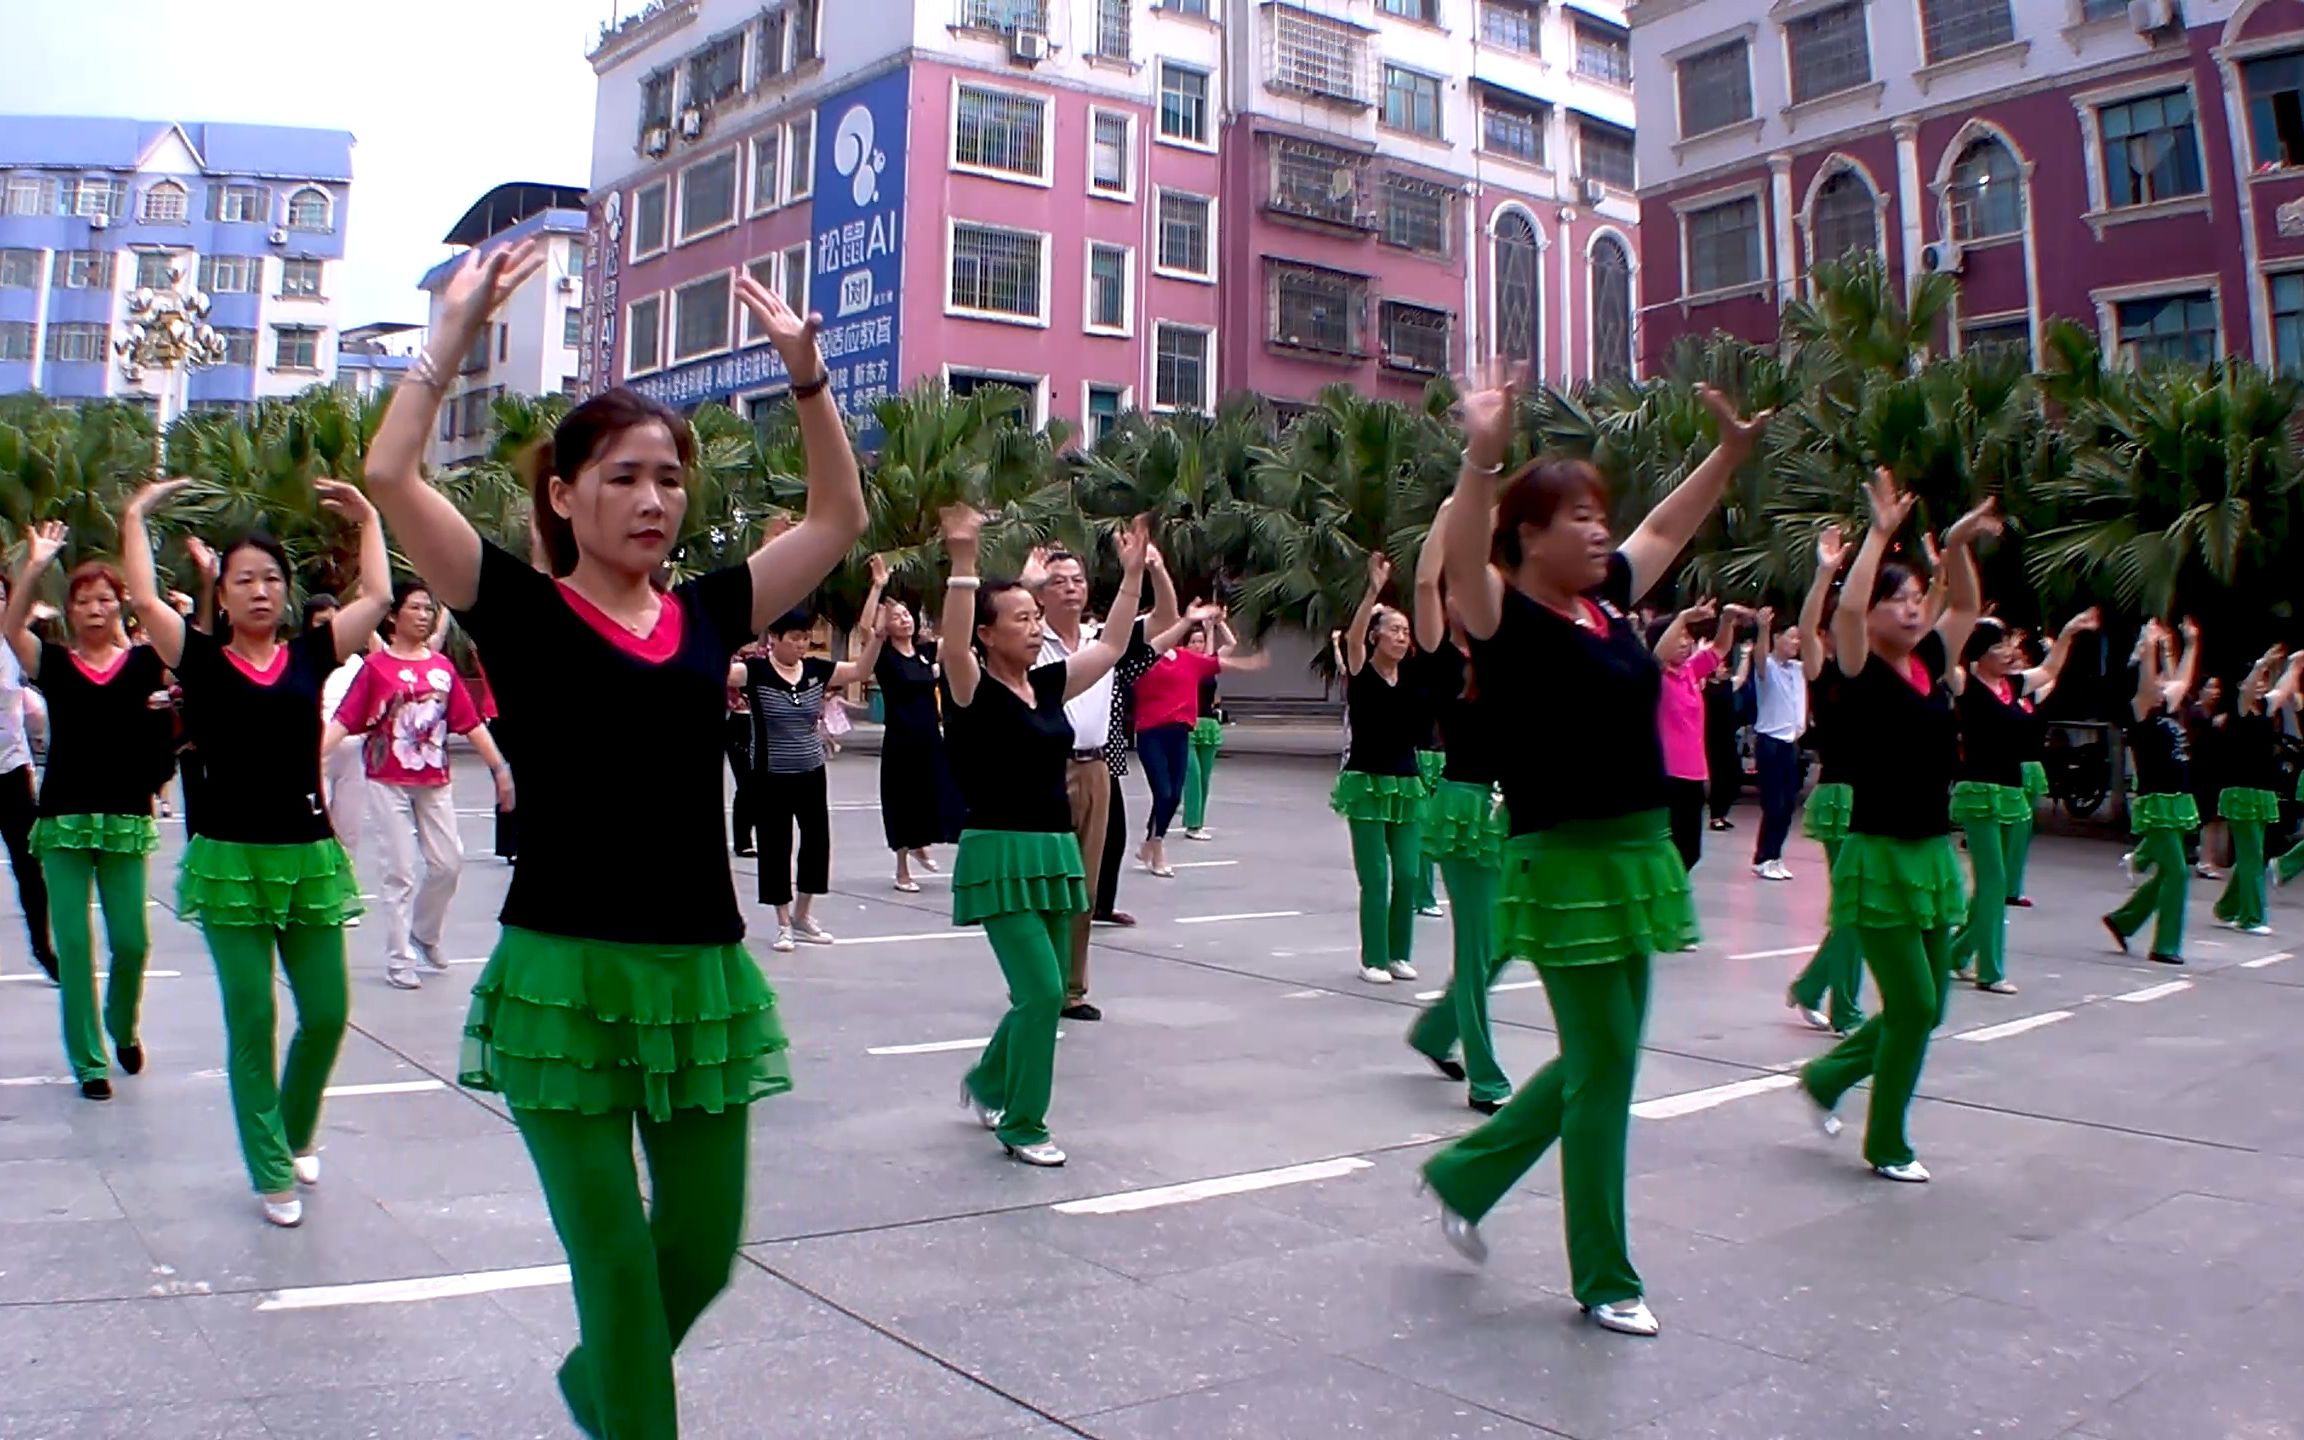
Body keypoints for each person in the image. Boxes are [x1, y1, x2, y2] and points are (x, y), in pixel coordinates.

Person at [366, 246, 861, 1437]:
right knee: (620, 1276)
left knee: (698, 1255)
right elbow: (389, 471)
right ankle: (628, 1404)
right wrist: (449, 342)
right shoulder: (518, 608)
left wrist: (808, 379)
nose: (655, 501)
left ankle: (598, 1388)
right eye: (626, 477)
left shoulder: (711, 612)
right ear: (564, 496)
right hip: (563, 980)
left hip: (699, 972)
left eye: (670, 481)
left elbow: (841, 516)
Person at [1420, 372, 1770, 1338]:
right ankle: (1605, 1275)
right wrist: (1483, 459)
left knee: (1599, 1061)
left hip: (1637, 853)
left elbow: (1663, 529)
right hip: (1563, 860)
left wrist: (1729, 455)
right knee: (1607, 1064)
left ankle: (1465, 1171)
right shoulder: (1506, 618)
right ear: (1528, 534)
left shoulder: (1608, 607)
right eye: (1576, 517)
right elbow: (1458, 560)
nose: (1598, 533)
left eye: (1598, 517)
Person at [121, 472, 389, 1228]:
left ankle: (294, 1127)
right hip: (231, 860)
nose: (261, 592)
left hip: (307, 857)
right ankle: (269, 1166)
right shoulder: (200, 659)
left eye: (273, 579)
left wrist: (369, 517)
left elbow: (375, 597)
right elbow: (144, 602)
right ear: (226, 592)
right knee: (252, 1022)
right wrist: (137, 516)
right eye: (245, 581)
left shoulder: (311, 654)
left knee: (329, 1013)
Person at [1799, 471, 1995, 1187]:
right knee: (1914, 1004)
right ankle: (1886, 1140)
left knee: (1930, 1004)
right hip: (1878, 856)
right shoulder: (1859, 668)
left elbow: (1966, 604)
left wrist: (1962, 545)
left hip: (1932, 855)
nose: (1913, 610)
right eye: (1898, 599)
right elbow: (1845, 617)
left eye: (1917, 598)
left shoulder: (1928, 665)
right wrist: (1877, 535)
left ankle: (1826, 1078)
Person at [942, 506, 1149, 1167]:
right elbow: (950, 646)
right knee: (1038, 994)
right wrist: (965, 562)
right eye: (1022, 621)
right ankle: (1023, 1124)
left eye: (1036, 621)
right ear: (988, 633)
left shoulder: (1047, 683)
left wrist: (1133, 576)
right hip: (999, 852)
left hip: (1054, 849)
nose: (1034, 630)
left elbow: (1113, 647)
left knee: (1050, 988)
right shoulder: (971, 687)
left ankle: (988, 1082)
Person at [3, 530, 171, 1096]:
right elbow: (11, 627)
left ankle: (121, 1025)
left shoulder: (147, 663)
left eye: (105, 598)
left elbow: (195, 658)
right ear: (70, 611)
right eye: (83, 600)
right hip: (65, 819)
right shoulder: (52, 663)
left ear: (120, 603)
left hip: (126, 817)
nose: (95, 608)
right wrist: (36, 565)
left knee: (132, 942)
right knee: (74, 947)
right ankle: (90, 1061)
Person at [323, 582, 514, 989]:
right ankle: (399, 958)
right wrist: (313, 755)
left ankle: (425, 934)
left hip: (433, 777)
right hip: (386, 776)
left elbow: (469, 722)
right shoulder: (376, 668)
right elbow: (345, 719)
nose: (424, 615)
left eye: (429, 608)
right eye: (416, 608)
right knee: (400, 871)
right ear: (394, 617)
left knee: (448, 862)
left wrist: (499, 768)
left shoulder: (442, 669)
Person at [1023, 542, 1177, 1019]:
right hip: (1043, 766)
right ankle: (1036, 983)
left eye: (1078, 580)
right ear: (1040, 594)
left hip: (1095, 768)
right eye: (1058, 581)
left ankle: (1072, 989)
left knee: (1084, 887)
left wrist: (1153, 568)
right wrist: (1026, 581)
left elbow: (1166, 619)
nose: (1070, 588)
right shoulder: (1028, 640)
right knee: (1044, 880)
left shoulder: (1101, 637)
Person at [1404, 513, 1514, 1112]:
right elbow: (1424, 585)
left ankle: (1434, 1029)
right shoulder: (1443, 660)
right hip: (1468, 807)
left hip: (1514, 810)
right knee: (1476, 948)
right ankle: (1486, 1077)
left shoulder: (1513, 658)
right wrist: (1450, 517)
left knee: (1507, 939)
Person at [1944, 609, 2099, 994]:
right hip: (1979, 792)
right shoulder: (1964, 682)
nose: (2008, 652)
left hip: (2011, 792)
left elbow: (2049, 672)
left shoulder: (2014, 685)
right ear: (1979, 653)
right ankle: (1990, 971)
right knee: (1994, 882)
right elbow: (1944, 656)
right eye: (1997, 646)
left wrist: (2068, 632)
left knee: (1992, 887)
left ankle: (1955, 954)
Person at [740, 559, 887, 951]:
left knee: (816, 842)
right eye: (794, 638)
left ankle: (804, 915)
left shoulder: (816, 671)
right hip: (770, 773)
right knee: (775, 845)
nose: (802, 645)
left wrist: (877, 637)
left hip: (810, 770)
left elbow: (858, 671)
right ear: (774, 638)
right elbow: (714, 670)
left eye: (806, 638)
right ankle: (782, 922)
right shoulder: (755, 674)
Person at [1334, 552, 1428, 986]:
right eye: (1393, 629)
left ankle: (1398, 954)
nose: (1401, 636)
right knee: (1376, 877)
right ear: (1375, 637)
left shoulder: (1412, 679)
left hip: (1407, 782)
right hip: (1367, 781)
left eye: (1405, 631)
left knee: (1408, 874)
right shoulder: (1362, 672)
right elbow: (1351, 641)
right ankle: (1373, 957)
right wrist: (1373, 590)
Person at [1784, 528, 1863, 1033]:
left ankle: (1815, 987)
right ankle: (1841, 1003)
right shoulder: (1825, 668)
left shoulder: (1876, 670)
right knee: (1854, 905)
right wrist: (1826, 572)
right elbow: (1808, 624)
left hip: (1876, 796)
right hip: (1839, 794)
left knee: (1860, 905)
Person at [2106, 619, 2202, 966]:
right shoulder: (2141, 710)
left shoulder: (2167, 708)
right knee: (2176, 872)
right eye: (2158, 677)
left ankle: (2124, 920)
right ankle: (2165, 946)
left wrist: (2190, 644)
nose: (2166, 681)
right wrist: (2148, 650)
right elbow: (2149, 682)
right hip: (2157, 801)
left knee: (2168, 872)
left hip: (2177, 799)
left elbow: (2183, 680)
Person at [1131, 602, 1247, 877]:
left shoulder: (1186, 658)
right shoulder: (1140, 658)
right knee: (1164, 792)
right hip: (1151, 732)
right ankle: (1156, 847)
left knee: (1173, 794)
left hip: (1180, 732)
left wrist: (1251, 663)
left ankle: (1151, 842)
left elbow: (1222, 659)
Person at [874, 590, 962, 892]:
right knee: (903, 802)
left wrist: (959, 591)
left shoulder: (925, 652)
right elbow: (867, 631)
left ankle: (919, 843)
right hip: (901, 739)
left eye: (906, 614)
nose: (904, 620)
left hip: (929, 737)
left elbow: (956, 635)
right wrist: (877, 590)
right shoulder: (884, 657)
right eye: (896, 617)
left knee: (935, 795)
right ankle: (902, 869)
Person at [1651, 598, 1746, 870]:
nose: (1685, 643)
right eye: (1679, 637)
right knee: (1669, 851)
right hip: (1667, 776)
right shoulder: (1655, 676)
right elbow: (1657, 655)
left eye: (1687, 637)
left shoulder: (1690, 671)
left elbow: (1719, 647)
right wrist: (1682, 617)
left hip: (1694, 776)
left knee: (1690, 852)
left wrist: (1726, 620)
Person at [2213, 649, 2298, 936]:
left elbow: (2284, 686)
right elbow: (2248, 689)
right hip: (2242, 792)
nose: (2261, 683)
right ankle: (2250, 917)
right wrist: (2261, 664)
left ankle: (2227, 907)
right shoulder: (2240, 708)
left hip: (2261, 793)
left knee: (2253, 854)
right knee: (2251, 856)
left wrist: (2296, 663)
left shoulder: (2266, 708)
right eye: (2256, 679)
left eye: (2264, 679)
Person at [0, 571, 57, 984]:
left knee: (29, 863)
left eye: (1, 595)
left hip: (11, 766)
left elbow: (31, 701)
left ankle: (44, 946)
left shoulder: (13, 645)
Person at [1749, 609, 1807, 880]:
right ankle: (1763, 857)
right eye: (1791, 638)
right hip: (1770, 741)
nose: (1796, 644)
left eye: (1798, 640)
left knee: (1788, 805)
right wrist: (1762, 628)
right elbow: (1759, 657)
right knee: (1774, 803)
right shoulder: (1767, 666)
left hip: (1790, 743)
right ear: (1777, 638)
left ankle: (1776, 856)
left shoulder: (1798, 669)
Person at [1179, 614, 1239, 841]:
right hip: (1186, 724)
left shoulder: (1208, 663)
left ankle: (1197, 823)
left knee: (1204, 777)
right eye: (1193, 641)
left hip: (1208, 723)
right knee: (1192, 775)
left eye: (1200, 641)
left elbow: (1231, 644)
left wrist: (1218, 623)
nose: (1198, 645)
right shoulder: (1181, 661)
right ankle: (1191, 823)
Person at [1703, 639, 1749, 832]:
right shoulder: (1705, 688)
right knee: (1718, 777)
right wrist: (1703, 651)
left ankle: (1722, 813)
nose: (1724, 668)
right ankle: (1715, 816)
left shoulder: (1727, 686)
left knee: (1734, 776)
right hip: (1711, 738)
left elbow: (1741, 677)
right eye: (1720, 665)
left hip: (1728, 738)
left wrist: (1746, 655)